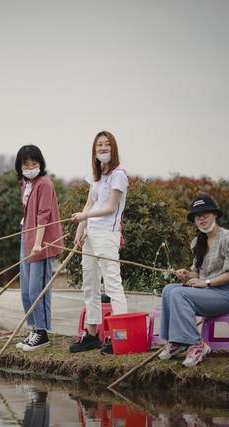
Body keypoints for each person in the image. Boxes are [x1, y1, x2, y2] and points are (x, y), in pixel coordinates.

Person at [159, 194, 229, 367]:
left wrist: (206, 283)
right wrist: (187, 274)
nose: (201, 218)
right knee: (169, 289)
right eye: (197, 216)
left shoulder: (227, 238)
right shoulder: (197, 242)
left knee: (180, 293)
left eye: (205, 214)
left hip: (225, 295)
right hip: (206, 292)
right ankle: (176, 342)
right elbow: (199, 274)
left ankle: (196, 345)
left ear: (215, 215)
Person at [69, 130, 129, 354]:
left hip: (106, 235)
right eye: (98, 145)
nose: (102, 148)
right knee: (90, 283)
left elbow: (111, 207)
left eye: (106, 145)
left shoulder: (119, 174)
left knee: (113, 284)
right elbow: (89, 203)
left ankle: (120, 337)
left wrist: (86, 217)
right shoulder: (96, 175)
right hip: (91, 234)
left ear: (113, 148)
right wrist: (80, 229)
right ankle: (92, 334)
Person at [14, 145, 64, 351]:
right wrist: (28, 239)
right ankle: (33, 328)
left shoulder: (44, 184)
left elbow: (44, 214)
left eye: (34, 164)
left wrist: (38, 244)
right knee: (25, 289)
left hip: (41, 243)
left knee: (38, 289)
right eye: (26, 164)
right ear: (20, 166)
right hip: (27, 239)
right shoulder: (27, 184)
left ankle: (42, 333)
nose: (30, 167)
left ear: (41, 164)